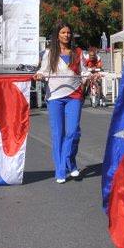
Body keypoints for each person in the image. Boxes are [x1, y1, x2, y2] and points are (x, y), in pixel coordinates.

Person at [33, 23, 84, 183]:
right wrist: (40, 75)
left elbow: (84, 71)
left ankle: (70, 160)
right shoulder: (50, 53)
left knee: (73, 131)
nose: (66, 35)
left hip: (74, 94)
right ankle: (61, 170)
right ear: (57, 35)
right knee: (58, 134)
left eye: (69, 32)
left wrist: (92, 75)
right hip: (55, 96)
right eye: (63, 32)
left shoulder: (77, 52)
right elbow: (43, 70)